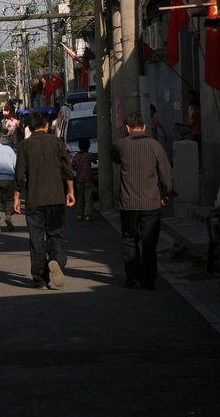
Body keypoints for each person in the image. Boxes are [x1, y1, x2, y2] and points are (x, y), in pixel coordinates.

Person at [13, 110, 75, 289]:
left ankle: (40, 280)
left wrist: (16, 196)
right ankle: (56, 259)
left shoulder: (25, 145)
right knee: (56, 235)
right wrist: (70, 191)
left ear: (29, 127)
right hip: (56, 198)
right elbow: (67, 169)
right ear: (47, 125)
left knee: (36, 239)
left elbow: (20, 173)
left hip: (34, 200)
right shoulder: (57, 142)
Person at [112, 110, 173, 290]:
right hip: (151, 201)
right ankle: (147, 280)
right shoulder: (155, 146)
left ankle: (132, 277)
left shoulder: (120, 145)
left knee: (129, 239)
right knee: (149, 242)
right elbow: (165, 171)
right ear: (145, 127)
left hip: (128, 202)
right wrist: (166, 193)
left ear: (128, 128)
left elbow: (114, 158)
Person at [72, 137, 97, 221]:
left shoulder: (75, 157)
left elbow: (72, 165)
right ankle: (87, 214)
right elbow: (95, 161)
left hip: (79, 180)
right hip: (88, 179)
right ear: (88, 146)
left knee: (80, 197)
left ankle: (79, 214)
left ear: (79, 146)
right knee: (88, 197)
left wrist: (76, 170)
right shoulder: (89, 155)